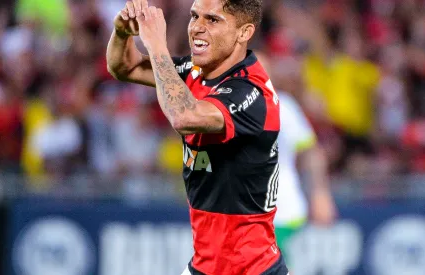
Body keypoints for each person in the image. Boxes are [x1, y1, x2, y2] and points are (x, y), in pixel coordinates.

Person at [106, 0, 287, 274]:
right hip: (204, 265)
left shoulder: (250, 92)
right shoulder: (195, 72)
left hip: (250, 269)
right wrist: (122, 32)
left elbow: (184, 117)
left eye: (212, 20)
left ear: (244, 32)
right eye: (194, 16)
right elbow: (124, 67)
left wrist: (156, 45)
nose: (197, 28)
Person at [256, 52, 337, 267]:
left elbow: (310, 153)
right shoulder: (223, 109)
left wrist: (320, 193)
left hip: (279, 209)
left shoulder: (283, 107)